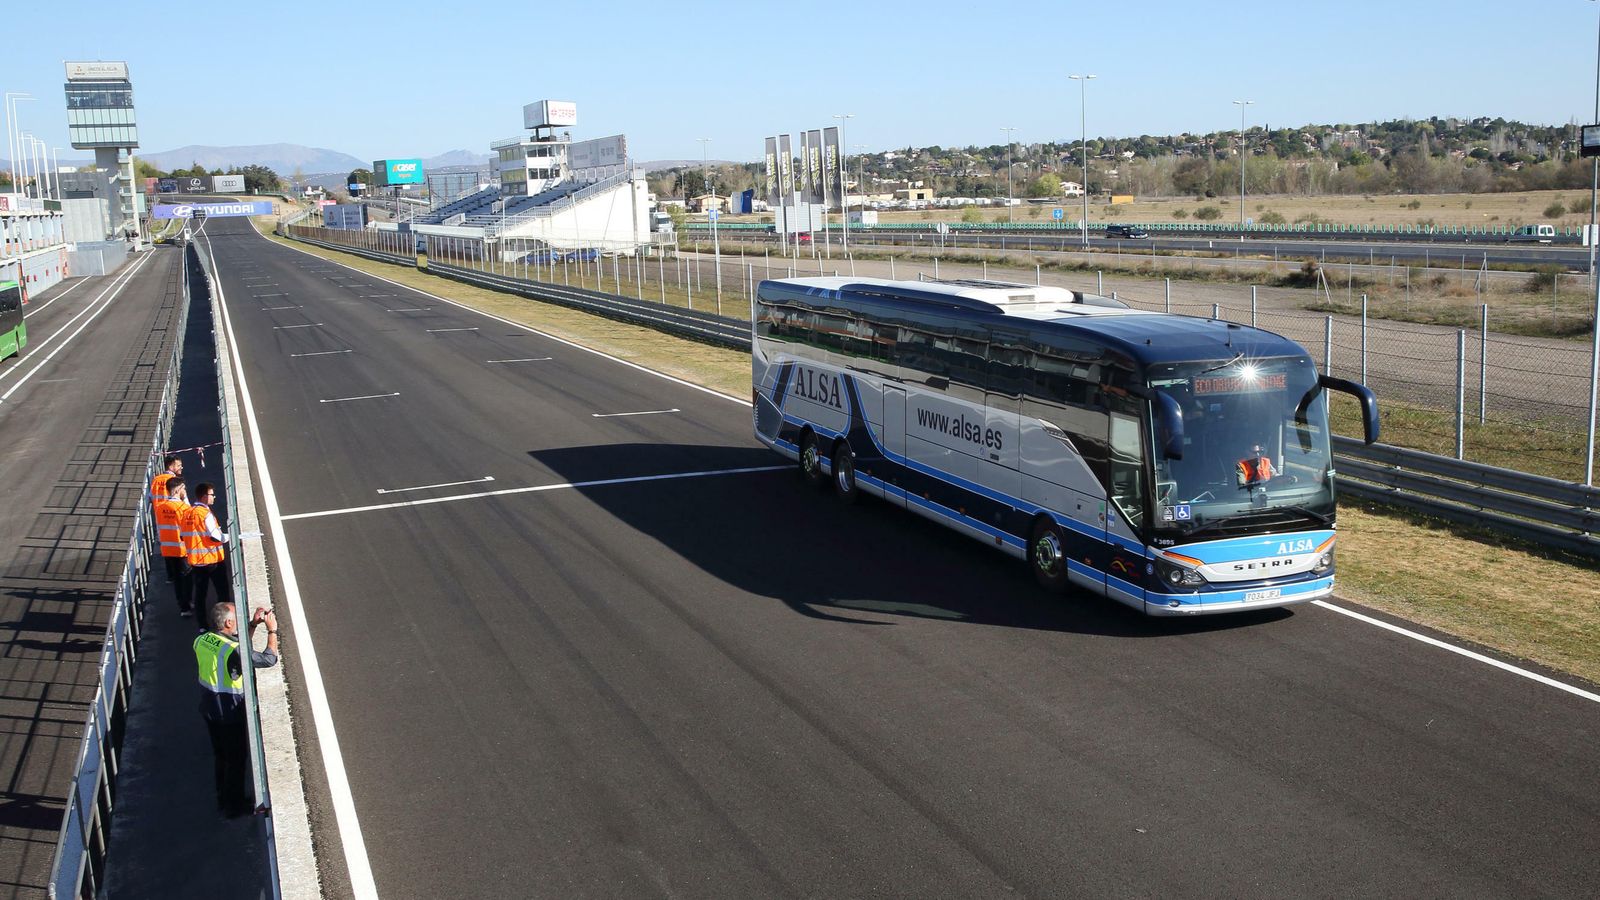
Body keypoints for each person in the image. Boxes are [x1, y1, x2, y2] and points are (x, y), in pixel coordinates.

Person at [194, 601, 279, 817]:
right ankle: (234, 806)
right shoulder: (231, 649)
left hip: (209, 709)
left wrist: (252, 624)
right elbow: (268, 659)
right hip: (230, 712)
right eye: (238, 619)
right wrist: (272, 630)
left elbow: (235, 651)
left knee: (220, 756)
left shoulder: (202, 640)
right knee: (236, 760)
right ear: (230, 622)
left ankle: (223, 797)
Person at [183, 482, 230, 628]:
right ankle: (224, 624)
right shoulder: (205, 514)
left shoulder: (187, 513)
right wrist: (230, 537)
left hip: (196, 562)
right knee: (222, 593)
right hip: (212, 560)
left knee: (200, 595)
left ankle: (202, 625)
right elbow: (216, 536)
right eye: (211, 495)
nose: (214, 497)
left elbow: (182, 535)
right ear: (204, 497)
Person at [154, 477, 195, 617]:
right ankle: (187, 603)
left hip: (167, 549)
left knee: (177, 579)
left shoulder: (160, 507)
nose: (185, 491)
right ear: (178, 490)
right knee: (187, 577)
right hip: (182, 548)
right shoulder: (183, 508)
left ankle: (182, 605)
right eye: (184, 488)